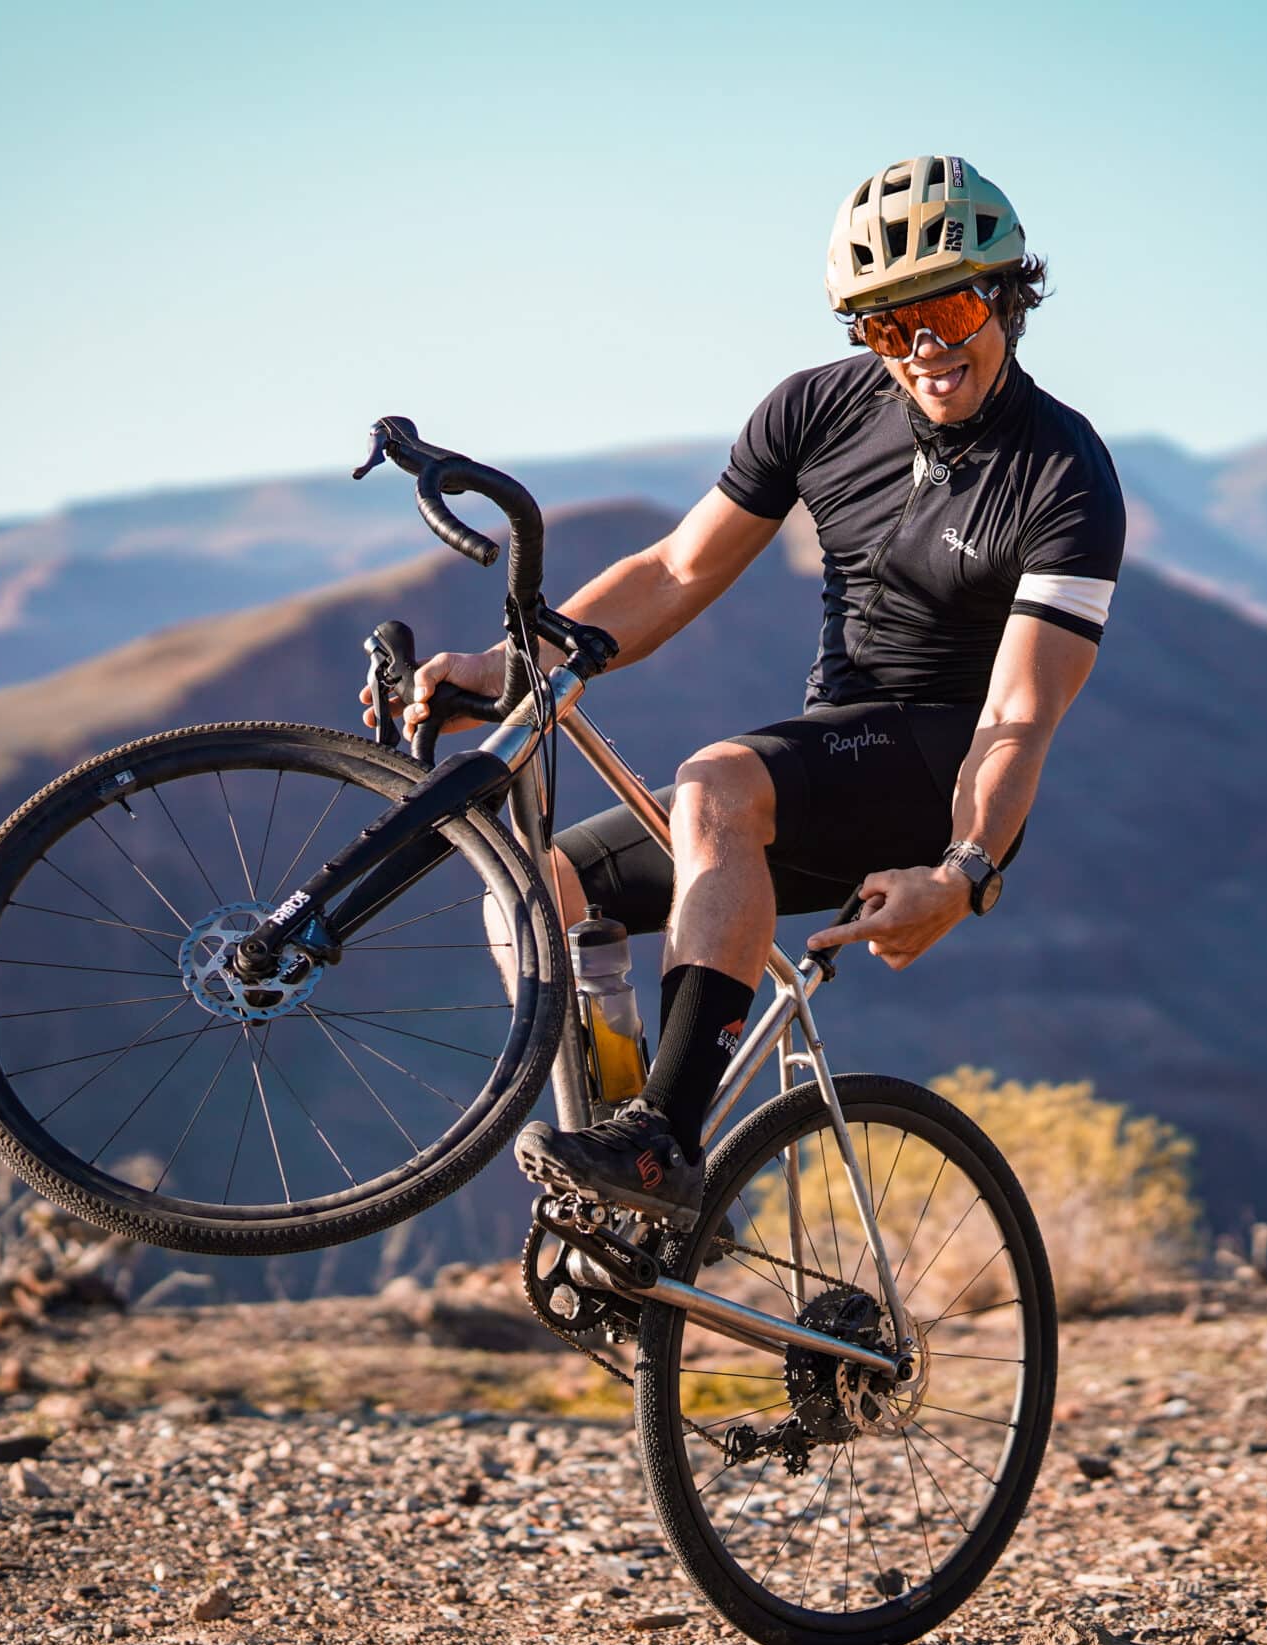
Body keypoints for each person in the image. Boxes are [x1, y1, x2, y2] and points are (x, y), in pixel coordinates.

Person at [366, 154, 1124, 1228]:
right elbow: (677, 570)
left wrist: (964, 874)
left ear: (1005, 293)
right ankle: (635, 1171)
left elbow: (1019, 714)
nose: (923, 349)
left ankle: (659, 1143)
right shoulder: (815, 409)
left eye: (948, 308)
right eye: (883, 327)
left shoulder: (1061, 475)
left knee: (715, 781)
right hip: (830, 753)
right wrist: (510, 671)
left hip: (935, 780)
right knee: (529, 888)